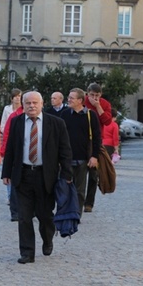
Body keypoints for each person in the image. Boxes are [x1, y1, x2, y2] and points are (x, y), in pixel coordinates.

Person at [2, 91, 72, 264]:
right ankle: (27, 252)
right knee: (24, 217)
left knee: (45, 215)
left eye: (35, 103)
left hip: (45, 176)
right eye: (28, 103)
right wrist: (6, 173)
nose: (31, 106)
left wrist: (66, 174)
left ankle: (48, 239)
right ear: (23, 105)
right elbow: (10, 148)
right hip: (23, 174)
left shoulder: (56, 123)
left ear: (41, 104)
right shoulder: (17, 122)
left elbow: (65, 151)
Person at [59, 88, 101, 216]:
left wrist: (94, 156)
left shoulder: (90, 115)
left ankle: (76, 213)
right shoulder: (65, 114)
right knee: (65, 186)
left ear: (80, 100)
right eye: (69, 97)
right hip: (66, 158)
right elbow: (59, 136)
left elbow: (96, 137)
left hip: (83, 158)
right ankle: (65, 211)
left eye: (72, 98)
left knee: (80, 189)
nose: (69, 100)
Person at [83, 83, 112, 213]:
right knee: (78, 173)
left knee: (94, 175)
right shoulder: (81, 101)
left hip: (96, 141)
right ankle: (78, 199)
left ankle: (89, 203)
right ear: (87, 93)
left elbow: (107, 121)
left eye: (97, 96)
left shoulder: (104, 104)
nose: (94, 98)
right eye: (92, 95)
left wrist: (98, 106)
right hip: (81, 141)